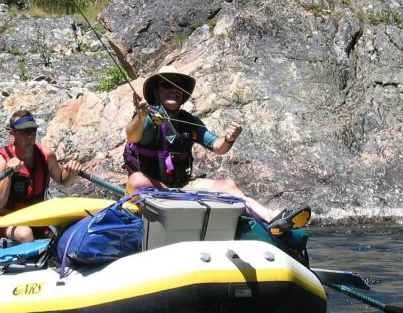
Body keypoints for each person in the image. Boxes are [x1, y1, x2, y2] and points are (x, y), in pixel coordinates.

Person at [124, 66, 302, 230]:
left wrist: (228, 138)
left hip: (181, 187)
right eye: (166, 85)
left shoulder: (191, 122)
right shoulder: (147, 118)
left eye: (178, 86)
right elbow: (132, 135)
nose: (173, 90)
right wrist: (140, 116)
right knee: (136, 180)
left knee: (228, 185)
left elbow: (218, 147)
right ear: (156, 91)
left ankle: (272, 218)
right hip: (153, 188)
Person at [0, 109, 81, 242]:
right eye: (23, 132)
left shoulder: (46, 155)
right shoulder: (0, 162)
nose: (29, 136)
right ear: (12, 133)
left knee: (68, 233)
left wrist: (71, 171)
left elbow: (62, 179)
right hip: (6, 220)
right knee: (25, 233)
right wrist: (8, 176)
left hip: (36, 218)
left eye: (32, 131)